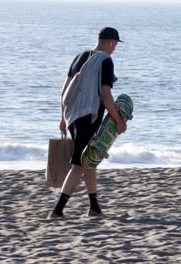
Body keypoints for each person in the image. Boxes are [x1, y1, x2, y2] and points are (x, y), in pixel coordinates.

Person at [48, 27, 127, 219]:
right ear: (110, 42)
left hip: (72, 116)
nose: (115, 49)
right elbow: (106, 95)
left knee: (89, 161)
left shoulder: (80, 57)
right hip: (89, 117)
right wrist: (118, 121)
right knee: (78, 165)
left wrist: (62, 118)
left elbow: (64, 91)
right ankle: (57, 211)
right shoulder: (105, 61)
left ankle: (94, 208)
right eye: (115, 44)